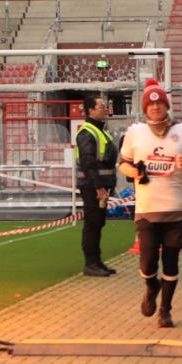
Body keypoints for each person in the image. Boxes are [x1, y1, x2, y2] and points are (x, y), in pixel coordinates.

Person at [119, 79, 182, 328]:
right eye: (151, 105)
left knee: (171, 261)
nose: (156, 108)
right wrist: (134, 172)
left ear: (167, 106)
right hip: (147, 210)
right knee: (146, 263)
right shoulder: (134, 132)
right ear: (145, 109)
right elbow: (122, 163)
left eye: (160, 104)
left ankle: (165, 310)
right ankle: (150, 286)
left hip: (176, 210)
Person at [75, 94, 119, 277]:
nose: (105, 108)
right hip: (92, 186)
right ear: (91, 110)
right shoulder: (87, 133)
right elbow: (88, 164)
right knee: (92, 224)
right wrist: (98, 188)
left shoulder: (101, 131)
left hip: (100, 185)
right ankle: (90, 263)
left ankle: (97, 261)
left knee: (98, 223)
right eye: (101, 106)